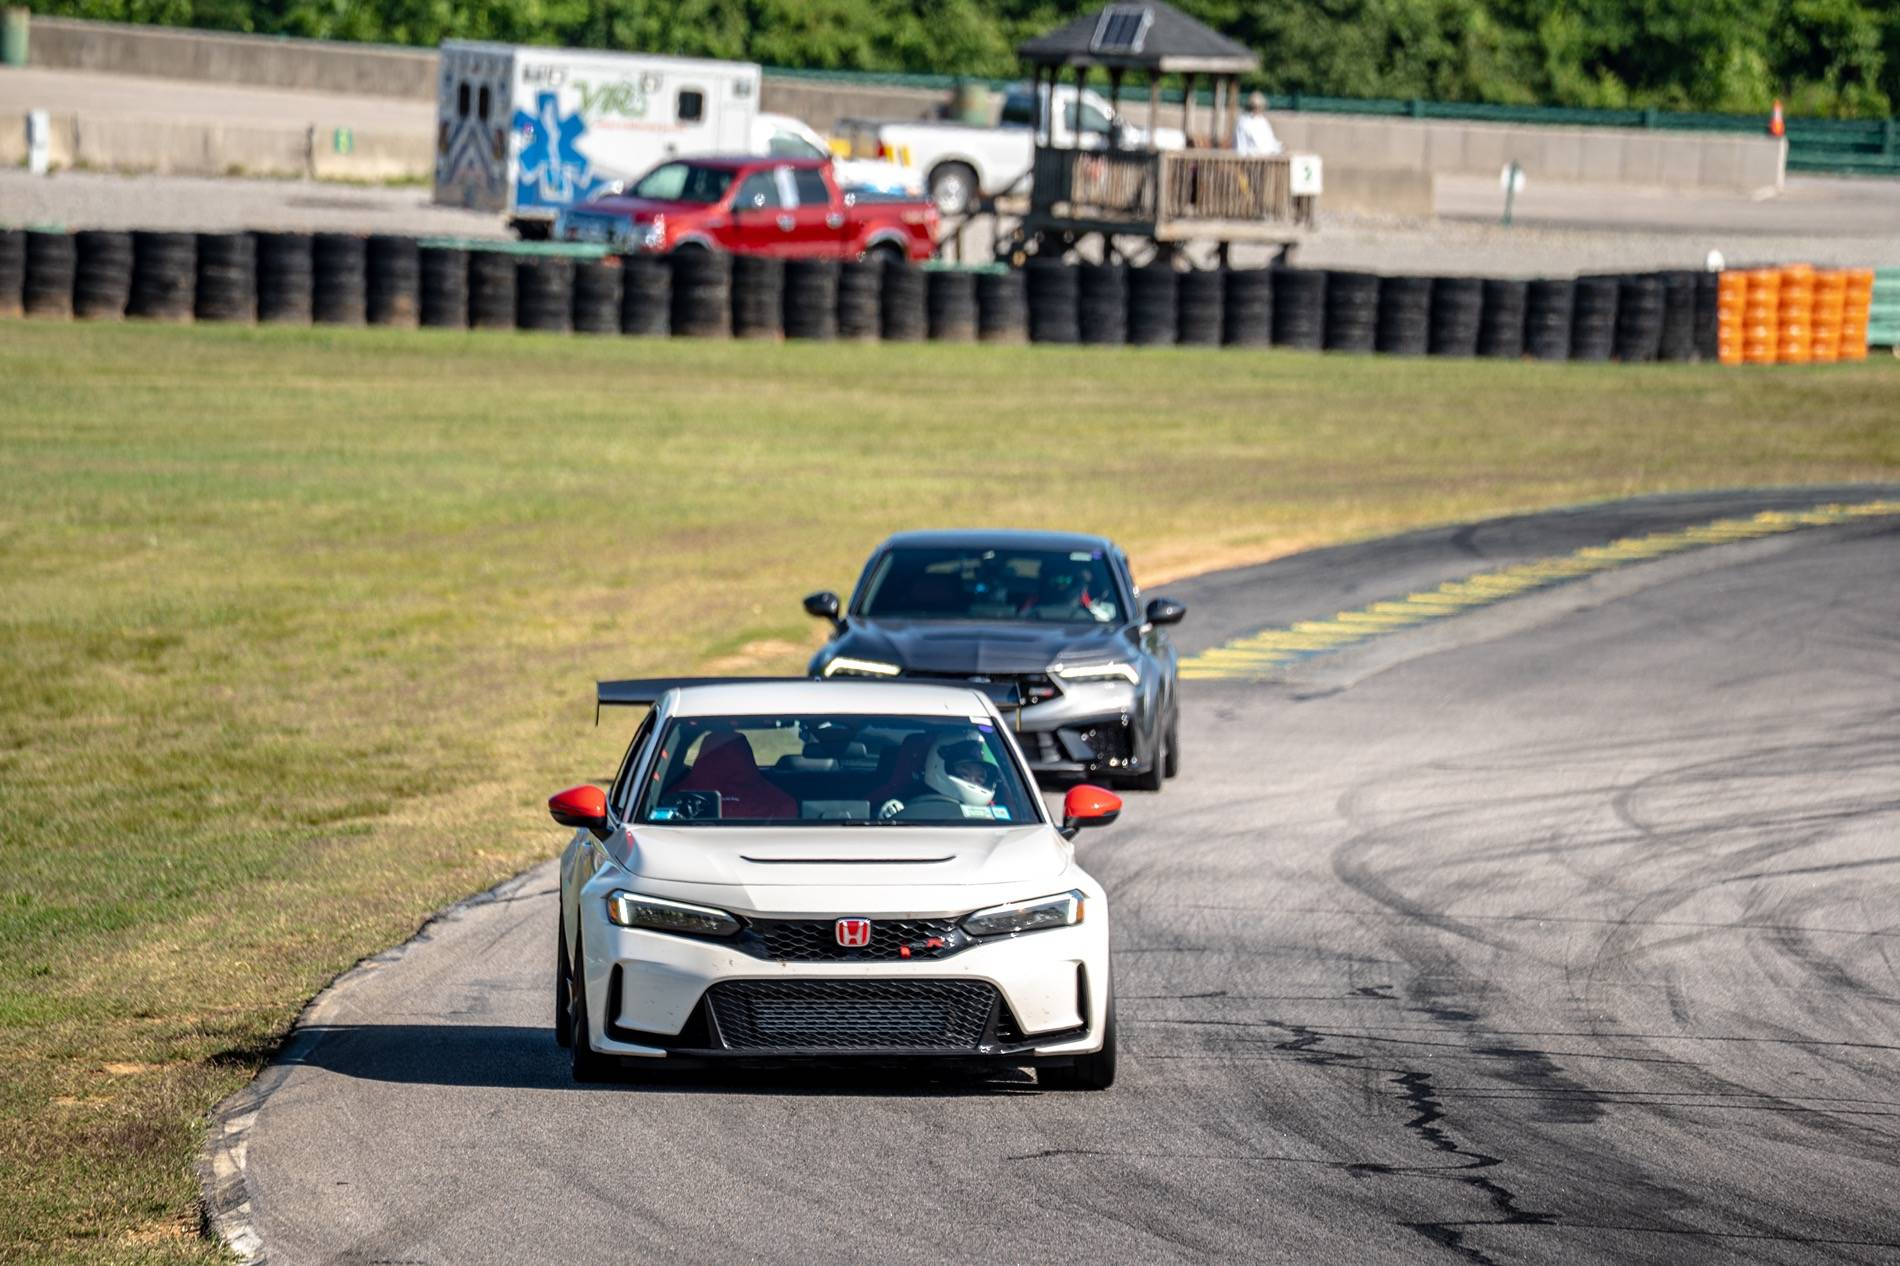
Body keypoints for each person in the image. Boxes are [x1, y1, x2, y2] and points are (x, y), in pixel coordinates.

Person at [876, 731, 1001, 821]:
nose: (973, 781)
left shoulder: (996, 811)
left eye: (980, 778)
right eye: (965, 773)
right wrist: (890, 813)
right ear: (938, 764)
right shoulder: (910, 797)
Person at [1234, 91, 1283, 156]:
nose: (1257, 110)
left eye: (1260, 107)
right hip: (1251, 157)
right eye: (1255, 107)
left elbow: (1270, 142)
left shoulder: (1263, 121)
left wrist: (1279, 147)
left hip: (1266, 156)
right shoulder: (1243, 122)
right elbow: (1242, 147)